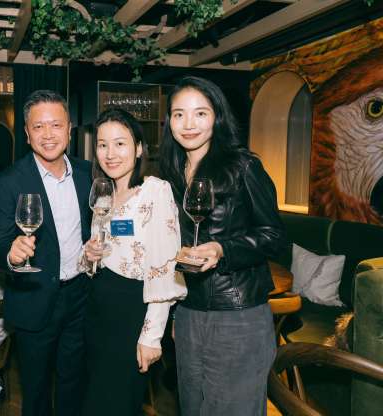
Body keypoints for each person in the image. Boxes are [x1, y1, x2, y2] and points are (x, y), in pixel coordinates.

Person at [158, 76, 286, 416]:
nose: (189, 124)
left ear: (217, 117)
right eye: (179, 114)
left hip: (238, 314)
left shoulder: (243, 166)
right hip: (189, 312)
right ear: (169, 121)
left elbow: (274, 236)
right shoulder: (171, 173)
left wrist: (222, 249)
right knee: (193, 408)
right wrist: (175, 312)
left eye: (200, 113)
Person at [0, 90, 92, 416]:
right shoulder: (9, 181)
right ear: (26, 133)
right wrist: (11, 254)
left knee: (73, 385)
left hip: (80, 297)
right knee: (35, 392)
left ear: (69, 129)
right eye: (38, 126)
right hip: (33, 297)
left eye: (56, 125)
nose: (48, 134)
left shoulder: (89, 174)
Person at [80, 108, 187, 415]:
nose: (110, 154)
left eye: (120, 144)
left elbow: (164, 269)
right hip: (98, 308)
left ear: (139, 148)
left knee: (118, 403)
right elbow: (100, 258)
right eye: (102, 145)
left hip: (131, 311)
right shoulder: (103, 194)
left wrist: (152, 336)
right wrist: (89, 257)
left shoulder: (155, 191)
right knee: (95, 401)